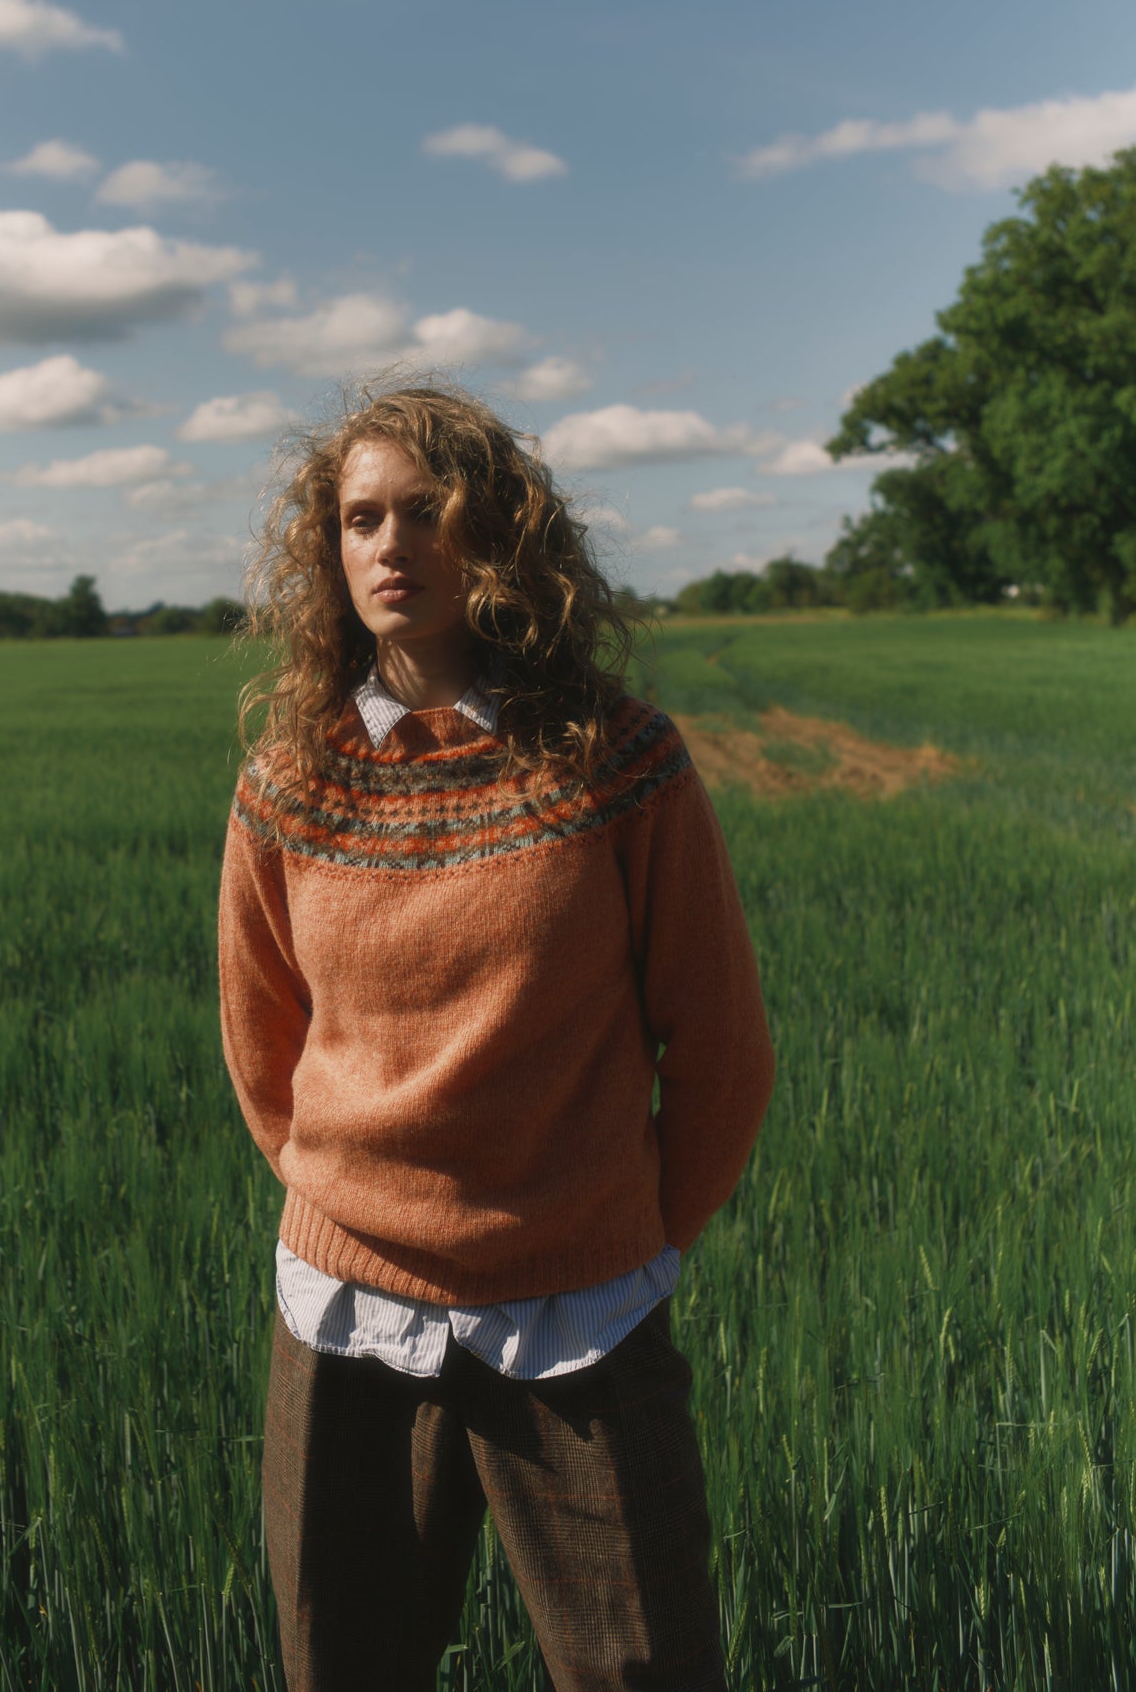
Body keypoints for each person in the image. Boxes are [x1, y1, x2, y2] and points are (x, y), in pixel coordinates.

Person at [218, 383, 775, 1692]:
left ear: (501, 538)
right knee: (341, 1664)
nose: (388, 545)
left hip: (578, 1315)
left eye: (427, 513)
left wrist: (620, 1241)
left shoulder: (616, 763)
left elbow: (718, 1055)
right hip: (344, 1315)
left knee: (643, 1667)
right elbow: (263, 1049)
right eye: (359, 519)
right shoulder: (286, 784)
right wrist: (348, 1206)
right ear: (329, 549)